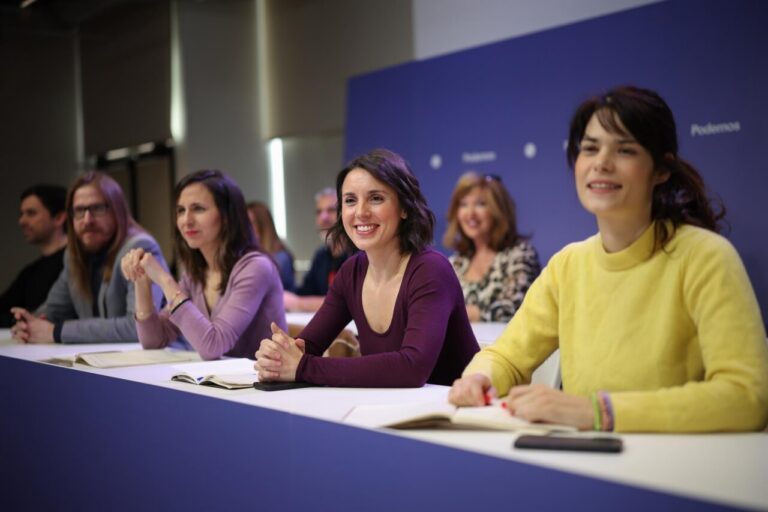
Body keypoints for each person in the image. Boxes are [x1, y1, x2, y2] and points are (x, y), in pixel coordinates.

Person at [449, 86, 768, 433]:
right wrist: (478, 378)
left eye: (625, 149)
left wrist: (599, 411)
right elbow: (507, 356)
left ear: (661, 170)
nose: (601, 162)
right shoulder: (568, 265)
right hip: (586, 464)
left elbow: (747, 395)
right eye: (590, 148)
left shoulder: (705, 257)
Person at [256, 148, 480, 387]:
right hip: (386, 415)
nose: (361, 212)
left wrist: (302, 367)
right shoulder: (351, 272)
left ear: (404, 208)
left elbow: (412, 368)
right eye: (350, 200)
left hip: (457, 415)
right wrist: (278, 356)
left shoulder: (431, 270)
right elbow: (307, 347)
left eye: (376, 198)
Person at [121, 170, 286, 360]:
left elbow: (214, 346)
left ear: (226, 216)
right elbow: (153, 341)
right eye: (181, 210)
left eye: (198, 209)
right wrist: (142, 280)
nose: (186, 220)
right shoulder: (195, 274)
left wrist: (165, 280)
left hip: (261, 386)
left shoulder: (256, 267)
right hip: (219, 386)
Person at [11, 171, 166, 343]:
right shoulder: (74, 254)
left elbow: (136, 328)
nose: (87, 220)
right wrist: (28, 324)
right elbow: (54, 309)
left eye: (97, 208)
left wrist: (57, 332)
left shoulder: (139, 248)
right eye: (79, 210)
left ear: (117, 210)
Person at [443, 172, 540, 322]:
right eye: (463, 204)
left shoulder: (520, 255)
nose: (470, 214)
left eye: (480, 204)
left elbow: (515, 308)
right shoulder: (455, 263)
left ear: (498, 210)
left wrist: (462, 314)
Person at [0, 185, 68, 327]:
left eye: (31, 213)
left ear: (59, 217)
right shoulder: (30, 272)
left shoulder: (77, 263)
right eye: (22, 214)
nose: (22, 221)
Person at [282, 187, 349, 312]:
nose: (324, 217)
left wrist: (298, 303)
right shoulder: (321, 256)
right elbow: (305, 292)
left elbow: (345, 303)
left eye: (331, 210)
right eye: (319, 212)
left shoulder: (359, 255)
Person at [247, 201, 295, 292]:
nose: (245, 228)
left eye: (250, 223)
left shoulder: (281, 258)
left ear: (263, 225)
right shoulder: (251, 255)